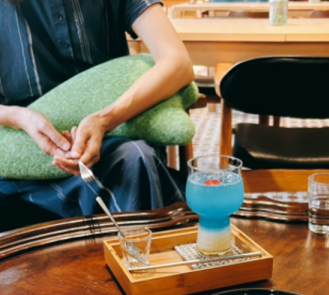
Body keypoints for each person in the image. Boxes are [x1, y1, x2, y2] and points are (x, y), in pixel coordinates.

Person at [0, 0, 194, 219]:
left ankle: (136, 249)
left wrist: (106, 119)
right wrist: (18, 117)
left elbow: (178, 62)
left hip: (114, 139)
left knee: (134, 159)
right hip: (20, 154)